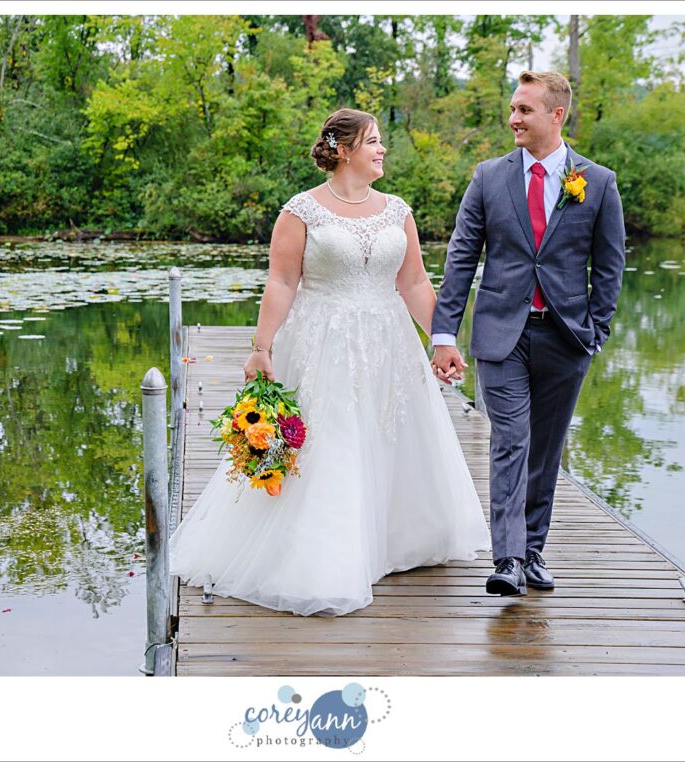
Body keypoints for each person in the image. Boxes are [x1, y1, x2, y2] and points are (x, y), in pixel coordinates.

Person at [168, 108, 491, 616]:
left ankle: (391, 543)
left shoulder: (396, 210)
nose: (382, 150)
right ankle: (329, 558)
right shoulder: (302, 211)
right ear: (343, 150)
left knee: (391, 433)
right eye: (373, 142)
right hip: (324, 341)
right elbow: (282, 281)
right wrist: (261, 346)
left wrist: (442, 341)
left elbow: (412, 283)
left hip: (389, 342)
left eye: (381, 142)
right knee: (333, 442)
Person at [431, 71, 625, 596]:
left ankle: (534, 550)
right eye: (513, 109)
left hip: (567, 338)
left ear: (556, 115)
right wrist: (443, 333)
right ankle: (508, 560)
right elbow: (461, 258)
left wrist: (596, 330)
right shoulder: (488, 177)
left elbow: (609, 266)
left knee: (546, 450)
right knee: (511, 443)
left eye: (524, 110)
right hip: (501, 335)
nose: (512, 118)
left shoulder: (597, 182)